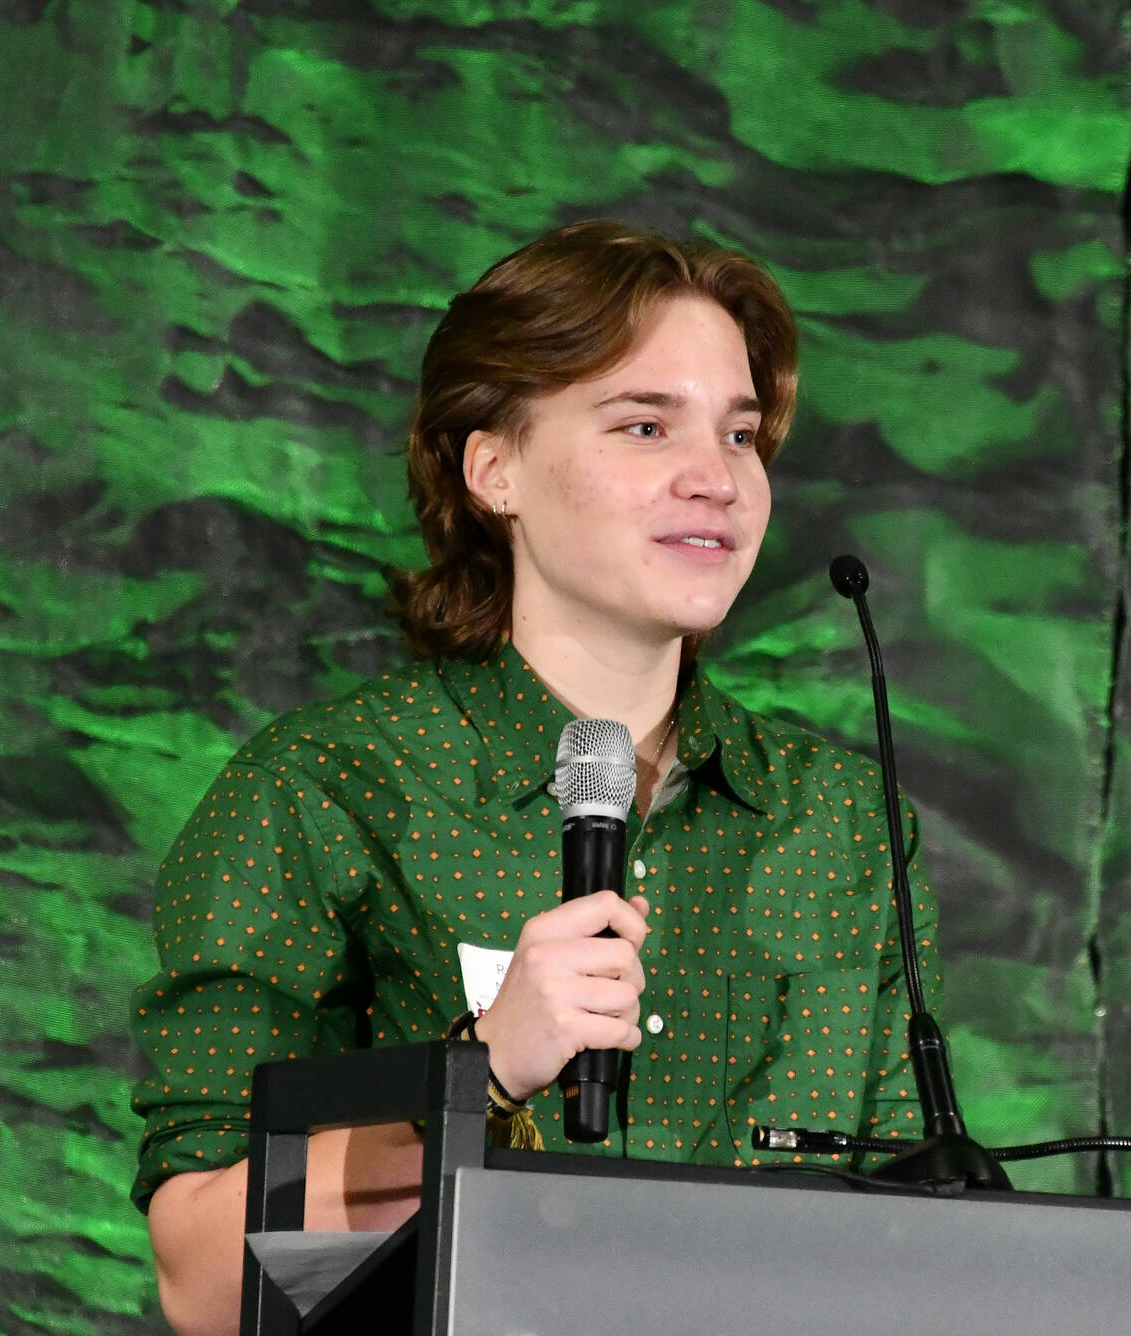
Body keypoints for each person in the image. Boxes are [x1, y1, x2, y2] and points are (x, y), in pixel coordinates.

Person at [129, 220, 945, 1336]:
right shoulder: (328, 789)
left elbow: (925, 1248)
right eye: (645, 424)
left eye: (742, 434)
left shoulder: (844, 825)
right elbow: (204, 1285)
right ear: (491, 467)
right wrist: (483, 1072)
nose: (715, 479)